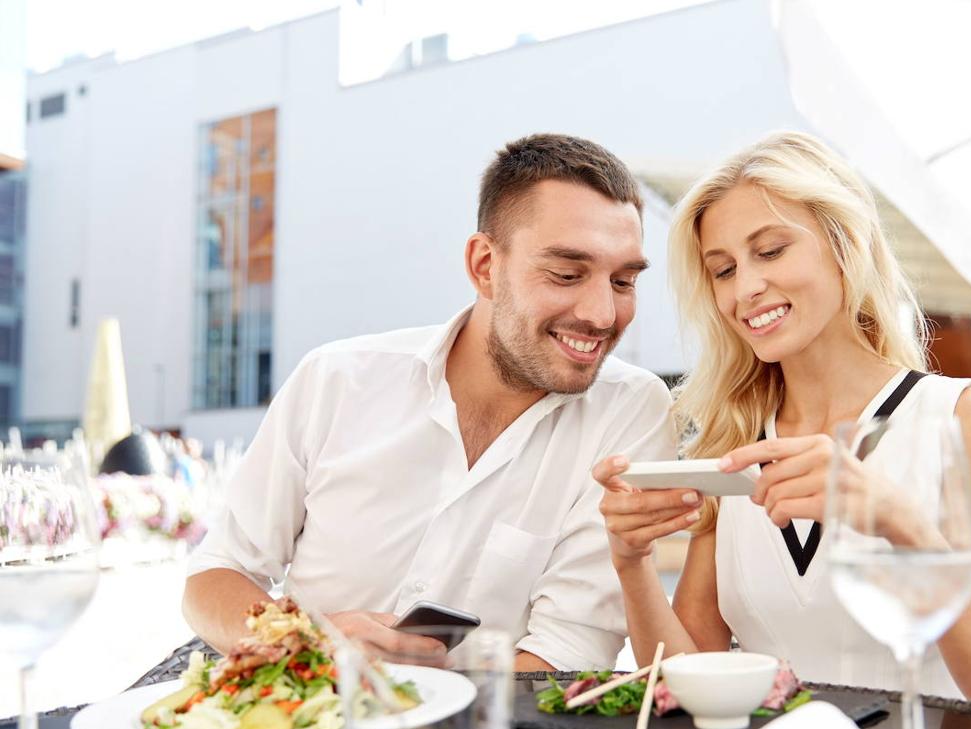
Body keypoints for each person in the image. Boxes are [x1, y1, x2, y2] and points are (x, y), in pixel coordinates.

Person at [593, 131, 971, 713]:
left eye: (770, 251)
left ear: (845, 247)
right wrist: (632, 565)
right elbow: (682, 687)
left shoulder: (959, 418)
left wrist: (900, 524)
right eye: (723, 270)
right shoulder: (734, 445)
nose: (746, 288)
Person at [184, 134, 676, 671]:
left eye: (624, 281)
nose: (603, 315)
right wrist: (305, 646)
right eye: (565, 274)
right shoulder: (337, 379)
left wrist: (410, 711)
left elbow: (568, 653)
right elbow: (216, 575)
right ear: (485, 265)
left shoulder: (631, 410)